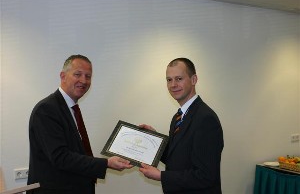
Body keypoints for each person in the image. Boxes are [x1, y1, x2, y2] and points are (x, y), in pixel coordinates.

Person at [27, 54, 132, 194]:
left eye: (88, 76)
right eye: (78, 74)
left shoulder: (70, 108)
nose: (83, 80)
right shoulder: (47, 109)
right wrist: (106, 163)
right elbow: (60, 157)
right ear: (63, 76)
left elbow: (76, 152)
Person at [139, 58, 224, 194]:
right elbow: (177, 158)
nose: (173, 85)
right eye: (169, 80)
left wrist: (161, 176)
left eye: (179, 79)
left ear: (194, 79)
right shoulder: (178, 117)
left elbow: (206, 176)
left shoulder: (206, 119)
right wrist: (156, 140)